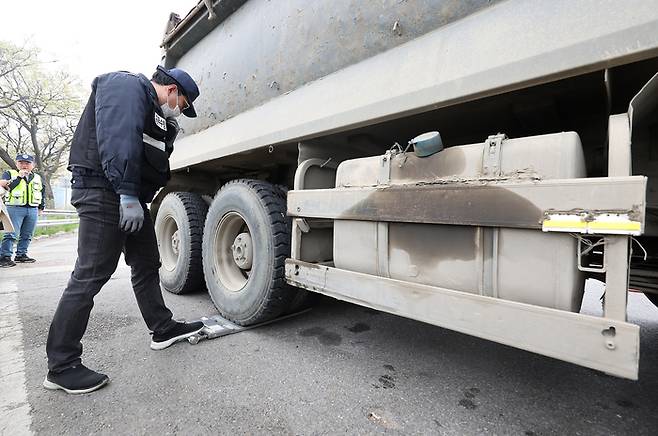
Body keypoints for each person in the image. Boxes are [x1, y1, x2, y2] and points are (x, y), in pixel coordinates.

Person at [44, 66, 205, 394]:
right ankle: (62, 365)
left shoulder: (153, 113)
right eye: (181, 102)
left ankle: (162, 328)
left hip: (126, 194)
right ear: (172, 90)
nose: (177, 109)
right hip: (105, 190)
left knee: (147, 262)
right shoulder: (128, 86)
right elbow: (119, 137)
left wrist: (136, 196)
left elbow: (150, 157)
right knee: (91, 274)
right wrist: (128, 193)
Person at [0, 154, 45, 267]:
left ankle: (21, 254)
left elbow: (41, 192)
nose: (24, 165)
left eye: (27, 163)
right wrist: (19, 177)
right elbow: (7, 187)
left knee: (27, 234)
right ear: (17, 163)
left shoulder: (37, 177)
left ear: (33, 165)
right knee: (11, 233)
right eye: (21, 162)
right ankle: (5, 256)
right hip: (14, 208)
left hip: (32, 208)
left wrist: (41, 207)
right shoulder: (10, 173)